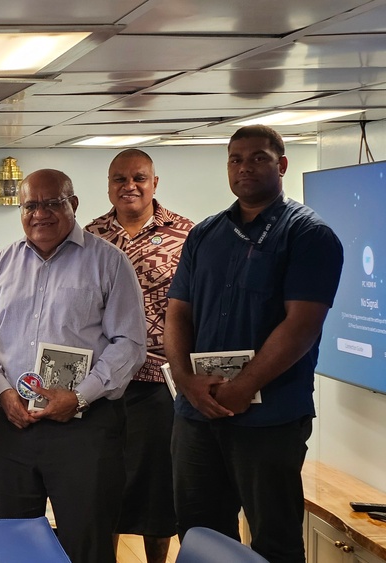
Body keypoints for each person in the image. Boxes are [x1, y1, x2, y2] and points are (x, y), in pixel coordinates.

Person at [164, 125, 343, 563]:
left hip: (269, 417)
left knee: (274, 538)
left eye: (259, 158)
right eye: (236, 159)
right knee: (200, 534)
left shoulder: (308, 236)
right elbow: (177, 313)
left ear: (281, 165)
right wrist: (186, 381)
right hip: (198, 414)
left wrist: (245, 385)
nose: (245, 167)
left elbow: (302, 326)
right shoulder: (205, 234)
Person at [0, 169, 146, 562]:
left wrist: (80, 397)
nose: (40, 214)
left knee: (86, 544)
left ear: (74, 205)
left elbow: (130, 343)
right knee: (9, 546)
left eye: (52, 203)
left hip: (84, 428)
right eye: (31, 205)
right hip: (12, 424)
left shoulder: (109, 262)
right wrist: (3, 394)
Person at [85, 149, 194, 563]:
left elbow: (195, 307)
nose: (129, 186)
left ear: (154, 183)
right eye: (119, 179)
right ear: (109, 185)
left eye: (139, 178)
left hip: (159, 382)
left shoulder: (186, 234)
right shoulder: (90, 235)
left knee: (157, 489)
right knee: (103, 485)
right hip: (103, 382)